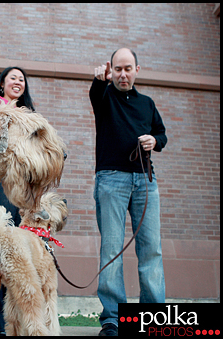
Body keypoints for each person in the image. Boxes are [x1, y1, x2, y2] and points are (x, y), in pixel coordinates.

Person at [90, 48, 167, 336]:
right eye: (118, 69)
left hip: (146, 180)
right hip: (111, 180)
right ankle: (113, 319)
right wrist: (99, 80)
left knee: (152, 249)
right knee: (112, 248)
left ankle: (153, 321)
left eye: (128, 68)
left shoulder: (147, 103)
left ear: (137, 69)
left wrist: (153, 140)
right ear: (111, 70)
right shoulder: (104, 95)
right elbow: (96, 91)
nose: (123, 74)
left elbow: (162, 135)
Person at [0, 66, 36, 335]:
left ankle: (7, 324)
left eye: (22, 79)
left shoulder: (30, 117)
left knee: (11, 256)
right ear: (2, 84)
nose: (18, 81)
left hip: (18, 191)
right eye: (13, 78)